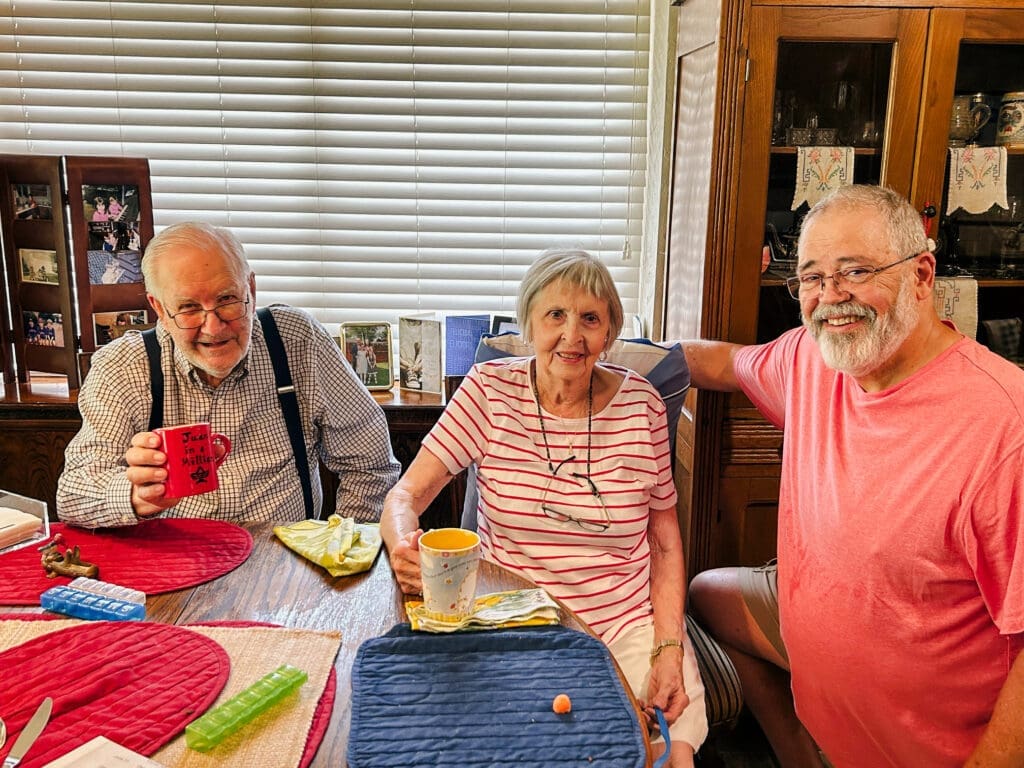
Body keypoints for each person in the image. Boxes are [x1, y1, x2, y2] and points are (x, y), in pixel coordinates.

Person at [678, 185, 1024, 768]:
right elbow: (721, 361)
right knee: (708, 594)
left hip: (931, 751)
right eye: (810, 278)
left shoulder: (1004, 427)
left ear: (921, 274)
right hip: (829, 673)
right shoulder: (810, 360)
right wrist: (599, 350)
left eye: (856, 271)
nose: (830, 298)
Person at [381, 249, 708, 767]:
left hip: (624, 625)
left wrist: (669, 648)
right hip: (513, 621)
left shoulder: (642, 404)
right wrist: (403, 541)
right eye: (555, 314)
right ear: (528, 321)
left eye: (590, 319)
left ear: (609, 333)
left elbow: (665, 541)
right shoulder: (490, 391)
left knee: (666, 753)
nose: (572, 336)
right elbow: (405, 495)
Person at [58, 221, 401, 528]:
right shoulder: (123, 365)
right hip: (176, 572)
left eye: (227, 299)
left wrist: (340, 547)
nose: (213, 326)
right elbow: (72, 494)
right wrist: (136, 497)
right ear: (159, 308)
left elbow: (370, 465)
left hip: (284, 565)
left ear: (251, 289)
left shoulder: (297, 341)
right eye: (189, 307)